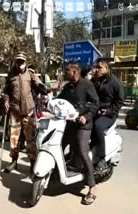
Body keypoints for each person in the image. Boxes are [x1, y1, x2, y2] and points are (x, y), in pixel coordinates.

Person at [57, 62, 99, 205]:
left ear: (74, 72)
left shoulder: (87, 85)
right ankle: (57, 172)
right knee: (57, 145)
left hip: (83, 125)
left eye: (67, 70)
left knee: (82, 150)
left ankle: (92, 187)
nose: (65, 72)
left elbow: (95, 104)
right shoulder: (68, 87)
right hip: (69, 124)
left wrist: (85, 117)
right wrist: (47, 100)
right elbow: (59, 100)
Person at [2, 52, 47, 173]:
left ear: (25, 62)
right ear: (15, 62)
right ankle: (14, 161)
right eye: (18, 61)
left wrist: (44, 90)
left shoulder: (30, 74)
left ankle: (32, 163)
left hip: (28, 111)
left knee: (30, 140)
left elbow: (39, 85)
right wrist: (6, 100)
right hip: (15, 111)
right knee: (14, 138)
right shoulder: (11, 75)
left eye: (22, 61)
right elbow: (5, 91)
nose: (20, 63)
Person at [91, 59, 124, 172]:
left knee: (98, 126)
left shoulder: (115, 82)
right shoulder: (94, 80)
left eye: (99, 67)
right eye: (96, 67)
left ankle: (102, 159)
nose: (96, 69)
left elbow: (120, 101)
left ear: (107, 68)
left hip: (109, 114)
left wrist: (108, 111)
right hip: (94, 111)